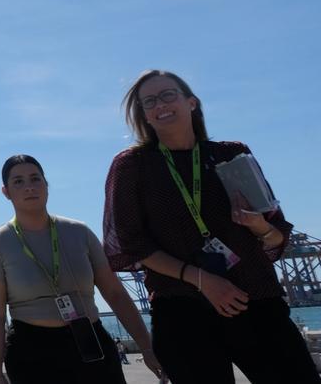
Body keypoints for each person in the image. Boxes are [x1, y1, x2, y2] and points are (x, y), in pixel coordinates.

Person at [103, 70, 320, 384]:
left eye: (168, 94)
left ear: (191, 102)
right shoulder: (131, 166)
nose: (159, 104)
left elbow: (275, 236)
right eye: (149, 101)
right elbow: (130, 243)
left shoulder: (232, 154)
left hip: (255, 300)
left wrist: (259, 226)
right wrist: (202, 279)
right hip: (182, 309)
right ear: (145, 116)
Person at [0, 155, 161, 384]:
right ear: (6, 192)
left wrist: (147, 347)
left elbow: (115, 293)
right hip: (33, 354)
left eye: (35, 179)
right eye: (18, 181)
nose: (29, 187)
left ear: (46, 185)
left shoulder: (79, 232)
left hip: (92, 344)